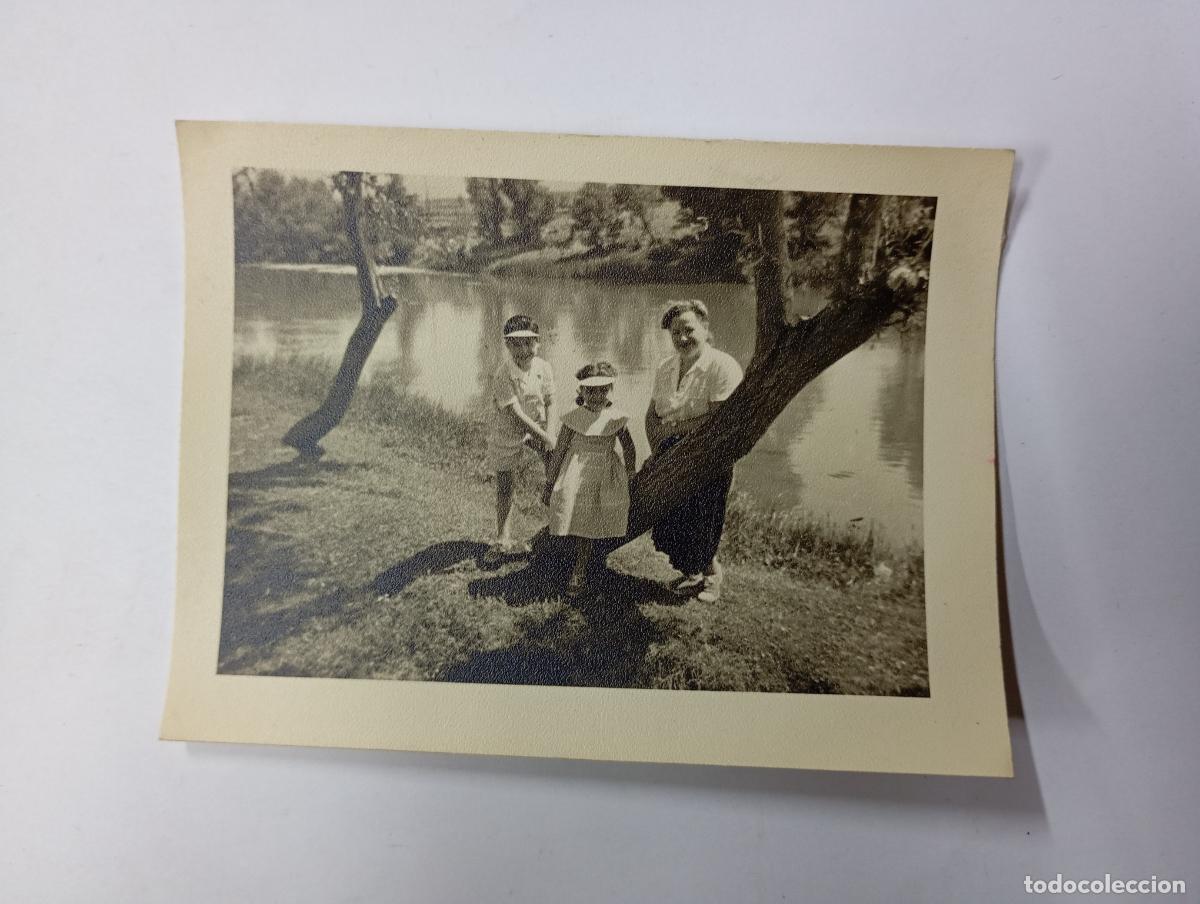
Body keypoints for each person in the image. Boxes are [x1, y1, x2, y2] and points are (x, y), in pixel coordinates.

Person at [645, 299, 744, 603]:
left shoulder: (722, 365)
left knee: (703, 520)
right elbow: (651, 415)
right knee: (671, 522)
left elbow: (721, 418)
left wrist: (673, 430)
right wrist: (657, 451)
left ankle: (712, 576)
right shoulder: (666, 366)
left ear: (705, 327)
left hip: (708, 456)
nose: (682, 338)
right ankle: (692, 573)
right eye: (676, 332)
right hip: (669, 455)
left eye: (689, 330)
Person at [543, 362, 637, 599]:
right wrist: (549, 484)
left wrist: (630, 474)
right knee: (570, 516)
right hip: (575, 476)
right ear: (581, 392)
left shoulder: (615, 418)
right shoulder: (573, 419)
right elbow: (560, 452)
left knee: (589, 524)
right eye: (590, 391)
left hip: (604, 476)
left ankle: (580, 569)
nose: (596, 396)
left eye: (603, 390)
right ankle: (568, 562)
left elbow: (629, 447)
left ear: (610, 390)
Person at [485, 314, 556, 564]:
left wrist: (551, 433)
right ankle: (502, 537)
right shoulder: (502, 374)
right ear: (507, 344)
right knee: (505, 486)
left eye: (529, 343)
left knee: (556, 476)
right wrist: (545, 435)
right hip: (508, 432)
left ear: (538, 342)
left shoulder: (544, 367)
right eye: (516, 344)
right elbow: (515, 415)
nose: (524, 350)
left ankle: (557, 533)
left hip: (538, 428)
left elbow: (550, 401)